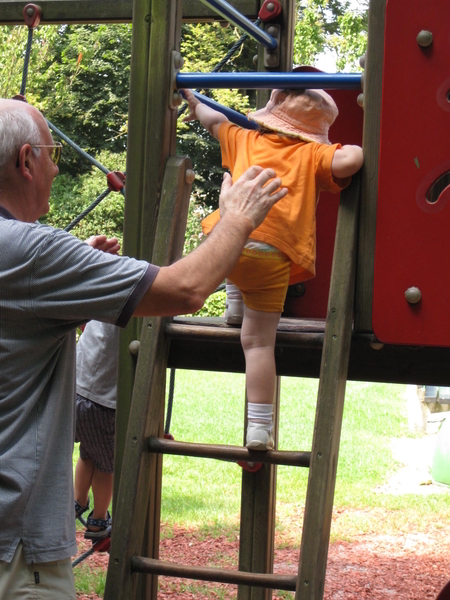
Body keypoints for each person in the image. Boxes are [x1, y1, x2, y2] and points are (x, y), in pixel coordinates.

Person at [0, 98, 287, 599]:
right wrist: (236, 218)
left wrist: (76, 273)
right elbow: (184, 289)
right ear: (25, 161)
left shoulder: (30, 261)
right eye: (49, 153)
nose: (56, 164)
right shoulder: (31, 252)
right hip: (15, 542)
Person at [183, 87, 364, 451]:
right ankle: (259, 429)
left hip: (226, 244)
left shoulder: (242, 137)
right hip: (273, 254)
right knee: (258, 342)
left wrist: (195, 101)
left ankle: (234, 307)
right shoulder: (312, 153)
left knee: (234, 250)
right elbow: (351, 161)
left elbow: (215, 120)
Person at [74, 320, 119, 540]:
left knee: (87, 452)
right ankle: (98, 521)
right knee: (105, 465)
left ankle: (78, 500)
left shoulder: (104, 293)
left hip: (74, 389)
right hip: (103, 403)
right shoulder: (138, 311)